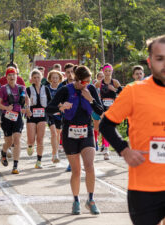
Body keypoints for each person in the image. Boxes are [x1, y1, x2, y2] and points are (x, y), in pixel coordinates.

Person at [99, 35, 165, 225]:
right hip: (144, 188)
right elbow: (106, 124)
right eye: (160, 59)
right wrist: (124, 150)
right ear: (149, 62)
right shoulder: (134, 91)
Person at [46, 65, 104, 215]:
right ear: (77, 81)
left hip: (86, 131)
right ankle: (76, 200)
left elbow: (100, 110)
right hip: (69, 132)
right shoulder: (65, 90)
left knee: (90, 166)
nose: (87, 84)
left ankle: (90, 200)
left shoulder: (90, 89)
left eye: (88, 81)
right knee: (76, 170)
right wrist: (61, 107)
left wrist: (90, 100)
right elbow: (49, 109)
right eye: (84, 82)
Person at [0, 67, 29, 174]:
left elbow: (27, 100)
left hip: (18, 116)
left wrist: (26, 108)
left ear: (17, 76)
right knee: (9, 141)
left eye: (13, 74)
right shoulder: (3, 89)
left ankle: (15, 165)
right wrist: (6, 108)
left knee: (17, 139)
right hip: (6, 117)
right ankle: (4, 152)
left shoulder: (22, 88)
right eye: (9, 75)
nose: (12, 77)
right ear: (6, 77)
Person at [95, 63, 122, 160]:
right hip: (103, 107)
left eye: (109, 71)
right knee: (105, 125)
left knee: (108, 127)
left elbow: (122, 92)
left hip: (112, 106)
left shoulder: (115, 82)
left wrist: (114, 89)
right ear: (103, 71)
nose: (107, 73)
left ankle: (105, 145)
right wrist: (97, 102)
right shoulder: (99, 83)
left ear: (112, 71)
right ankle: (106, 148)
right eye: (105, 71)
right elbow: (93, 92)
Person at [26, 69, 51, 169]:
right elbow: (24, 102)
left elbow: (50, 102)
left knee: (40, 139)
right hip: (31, 115)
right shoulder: (28, 89)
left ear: (41, 78)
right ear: (31, 79)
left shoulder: (46, 89)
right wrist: (26, 109)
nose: (36, 79)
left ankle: (39, 161)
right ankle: (30, 146)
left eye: (38, 77)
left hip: (42, 115)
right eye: (34, 78)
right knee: (31, 139)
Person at [46, 70, 63, 163]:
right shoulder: (46, 88)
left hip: (59, 114)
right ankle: (55, 154)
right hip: (49, 114)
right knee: (53, 133)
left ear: (60, 79)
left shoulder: (62, 88)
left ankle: (55, 152)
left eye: (57, 78)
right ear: (50, 79)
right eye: (53, 78)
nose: (55, 80)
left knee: (58, 134)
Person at [91, 71, 104, 151]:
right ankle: (95, 141)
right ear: (97, 77)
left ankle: (103, 144)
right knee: (96, 124)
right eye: (100, 76)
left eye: (103, 76)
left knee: (103, 125)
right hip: (96, 107)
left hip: (104, 107)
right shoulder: (94, 86)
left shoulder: (107, 85)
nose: (101, 78)